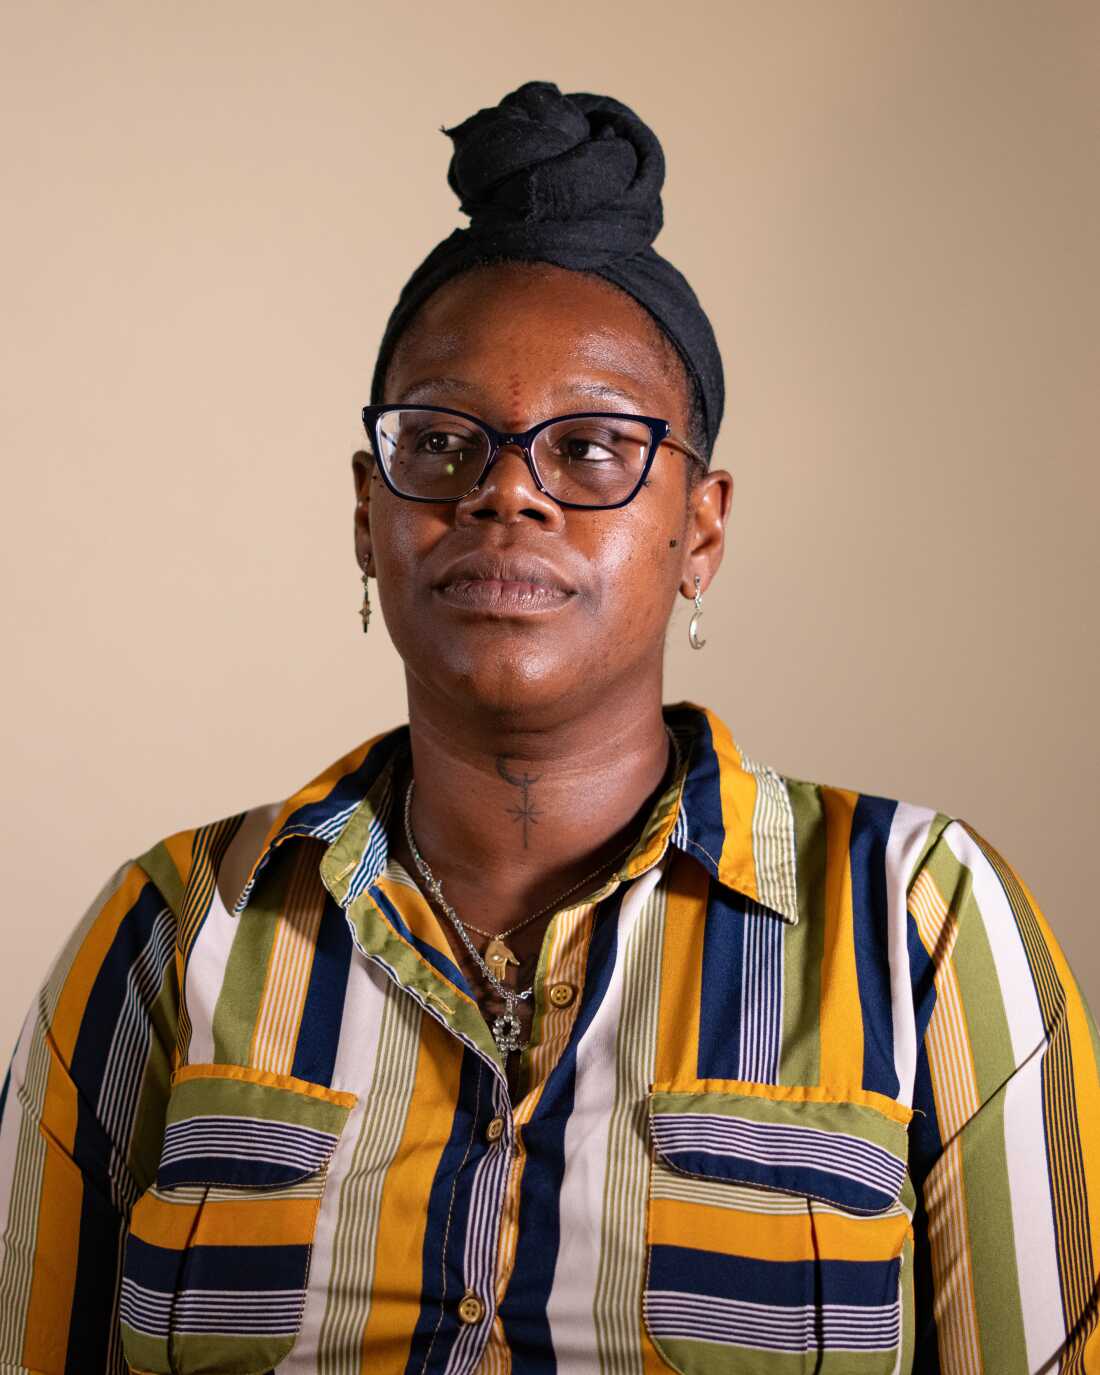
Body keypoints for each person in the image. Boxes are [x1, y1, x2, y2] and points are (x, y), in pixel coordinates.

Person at [0, 79, 1095, 1375]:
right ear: (370, 512)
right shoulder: (168, 935)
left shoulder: (922, 927)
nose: (506, 492)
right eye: (444, 442)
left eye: (589, 450)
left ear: (702, 529)